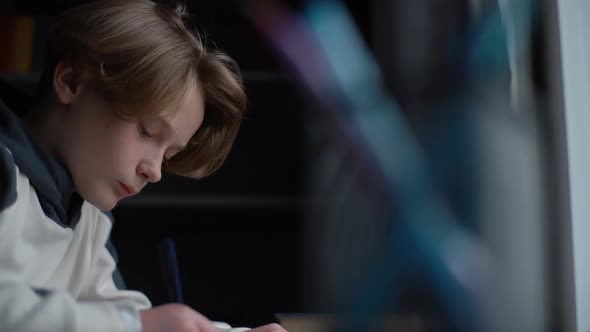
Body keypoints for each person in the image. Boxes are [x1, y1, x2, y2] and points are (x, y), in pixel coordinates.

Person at [0, 1, 286, 331]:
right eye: (146, 131)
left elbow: (120, 312)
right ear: (72, 81)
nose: (155, 171)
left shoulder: (88, 215)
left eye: (167, 155)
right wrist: (135, 324)